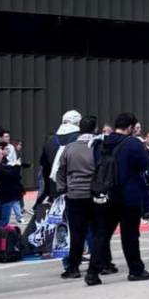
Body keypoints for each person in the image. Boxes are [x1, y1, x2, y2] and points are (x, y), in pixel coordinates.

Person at [85, 114, 149, 285]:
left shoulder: (102, 142)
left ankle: (92, 272)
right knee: (130, 235)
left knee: (102, 235)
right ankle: (136, 270)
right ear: (131, 127)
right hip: (129, 195)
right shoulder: (133, 143)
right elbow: (144, 164)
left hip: (107, 194)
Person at [55, 115, 100, 281]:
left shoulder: (70, 148)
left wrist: (63, 189)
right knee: (96, 231)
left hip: (74, 194)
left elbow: (61, 170)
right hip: (94, 194)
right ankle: (98, 264)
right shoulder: (97, 147)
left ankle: (73, 267)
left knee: (76, 232)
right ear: (95, 129)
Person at [38, 110, 82, 210]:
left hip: (54, 188)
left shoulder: (50, 140)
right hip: (76, 189)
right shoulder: (80, 138)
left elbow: (44, 167)